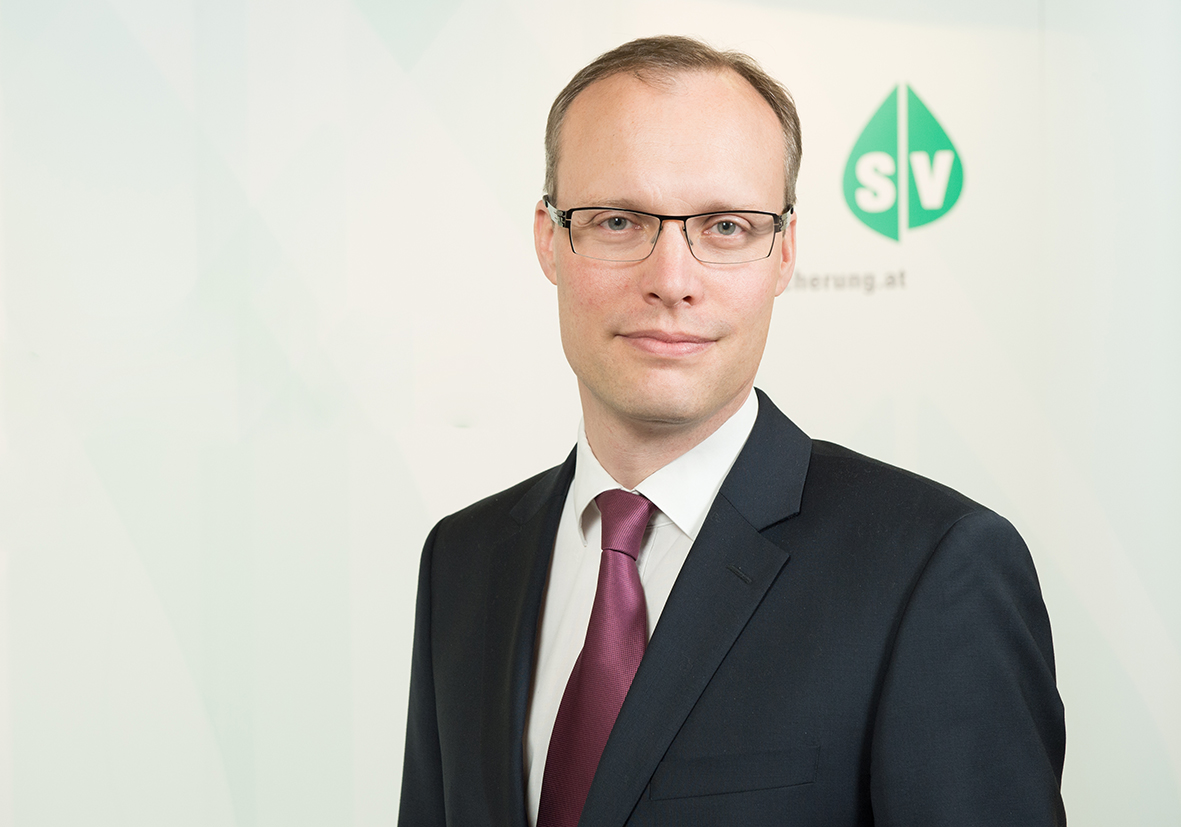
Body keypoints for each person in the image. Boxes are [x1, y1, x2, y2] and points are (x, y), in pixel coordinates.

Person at [399, 35, 1066, 827]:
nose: (671, 281)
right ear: (550, 239)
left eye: (724, 227)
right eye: (617, 220)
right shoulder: (464, 559)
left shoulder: (931, 567)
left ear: (783, 252)